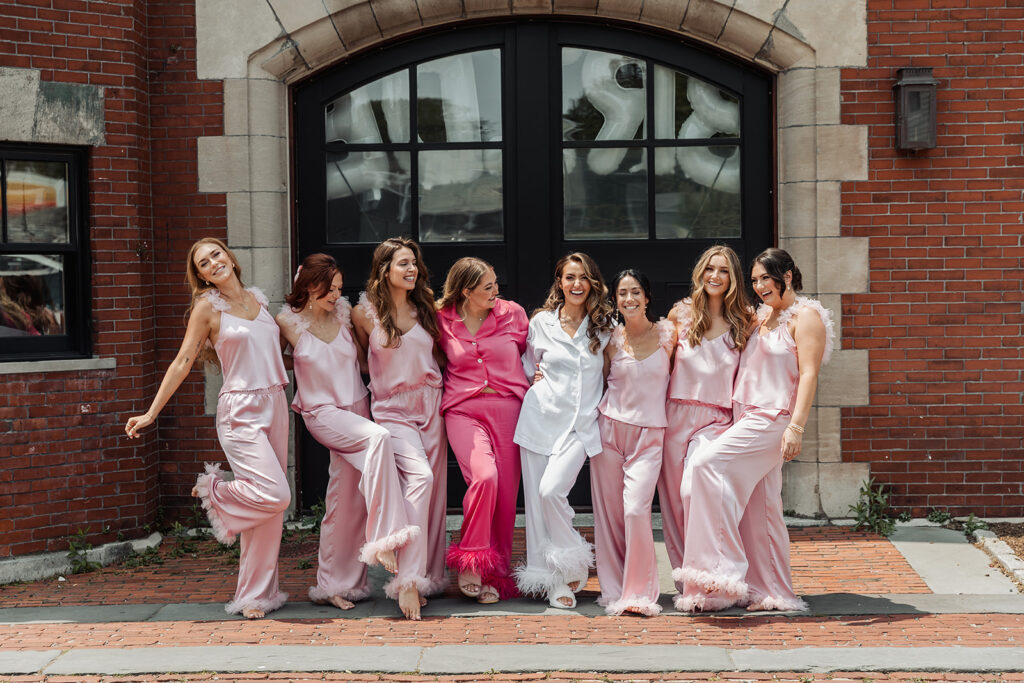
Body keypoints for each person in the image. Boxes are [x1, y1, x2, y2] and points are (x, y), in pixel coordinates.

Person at [124, 237, 291, 619]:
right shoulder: (206, 308)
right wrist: (151, 413)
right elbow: (183, 361)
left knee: (270, 512)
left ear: (230, 257)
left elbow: (277, 353)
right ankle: (214, 491)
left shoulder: (258, 300)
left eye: (216, 254)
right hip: (240, 412)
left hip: (274, 403)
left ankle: (257, 596)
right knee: (276, 493)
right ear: (200, 275)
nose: (213, 262)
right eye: (203, 263)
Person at [675, 248, 833, 612]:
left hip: (773, 418)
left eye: (767, 278)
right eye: (756, 279)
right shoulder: (761, 317)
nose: (760, 286)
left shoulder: (806, 317)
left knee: (705, 466)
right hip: (744, 415)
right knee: (763, 507)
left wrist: (796, 427)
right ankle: (772, 592)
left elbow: (809, 374)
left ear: (788, 276)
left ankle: (721, 572)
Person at [277, 253, 426, 620]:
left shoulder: (344, 315)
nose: (336, 296)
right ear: (308, 287)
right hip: (322, 412)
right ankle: (386, 538)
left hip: (358, 407)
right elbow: (260, 355)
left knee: (344, 502)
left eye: (340, 289)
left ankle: (337, 585)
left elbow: (364, 361)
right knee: (379, 440)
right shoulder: (285, 321)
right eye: (328, 290)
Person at [513, 252, 614, 609]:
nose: (576, 284)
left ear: (592, 283)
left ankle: (572, 558)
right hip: (539, 419)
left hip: (580, 426)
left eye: (583, 277)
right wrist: (534, 378)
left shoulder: (604, 325)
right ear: (560, 282)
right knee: (537, 506)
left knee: (552, 491)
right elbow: (526, 366)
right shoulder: (540, 322)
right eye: (570, 277)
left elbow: (612, 374)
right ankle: (555, 583)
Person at [352, 238, 447, 601]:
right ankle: (406, 582)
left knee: (433, 493)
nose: (411, 270)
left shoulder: (427, 308)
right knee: (419, 478)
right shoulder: (364, 314)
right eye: (403, 264)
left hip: (430, 404)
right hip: (391, 409)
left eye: (414, 264)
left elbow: (440, 357)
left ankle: (427, 577)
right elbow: (361, 359)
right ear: (384, 270)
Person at [660, 245, 754, 612]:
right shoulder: (680, 315)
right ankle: (692, 587)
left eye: (724, 271)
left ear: (733, 279)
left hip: (716, 421)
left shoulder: (746, 320)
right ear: (701, 273)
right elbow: (657, 366)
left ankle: (718, 577)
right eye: (710, 269)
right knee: (674, 507)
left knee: (693, 492)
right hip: (674, 417)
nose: (715, 276)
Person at [437, 257, 529, 604]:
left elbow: (534, 356)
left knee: (505, 497)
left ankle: (494, 574)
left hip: (508, 408)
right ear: (465, 291)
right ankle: (472, 557)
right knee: (485, 476)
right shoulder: (440, 320)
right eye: (487, 286)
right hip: (463, 410)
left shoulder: (514, 314)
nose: (496, 291)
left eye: (495, 283)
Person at [591, 269, 675, 616]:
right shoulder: (610, 338)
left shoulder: (670, 334)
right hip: (609, 430)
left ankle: (640, 592)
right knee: (609, 516)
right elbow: (594, 380)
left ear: (648, 296)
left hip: (650, 434)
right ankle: (613, 589)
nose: (629, 299)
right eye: (623, 293)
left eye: (636, 292)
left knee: (636, 510)